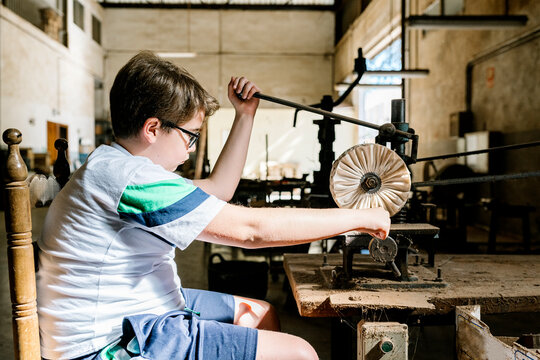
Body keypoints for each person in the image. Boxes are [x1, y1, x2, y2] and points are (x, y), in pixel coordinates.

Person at [37, 51, 390, 360]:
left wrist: (245, 115)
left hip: (138, 312)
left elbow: (218, 189)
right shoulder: (129, 179)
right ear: (153, 128)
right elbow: (251, 232)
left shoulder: (116, 167)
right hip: (110, 343)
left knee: (259, 312)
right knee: (300, 354)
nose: (191, 148)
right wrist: (357, 218)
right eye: (190, 135)